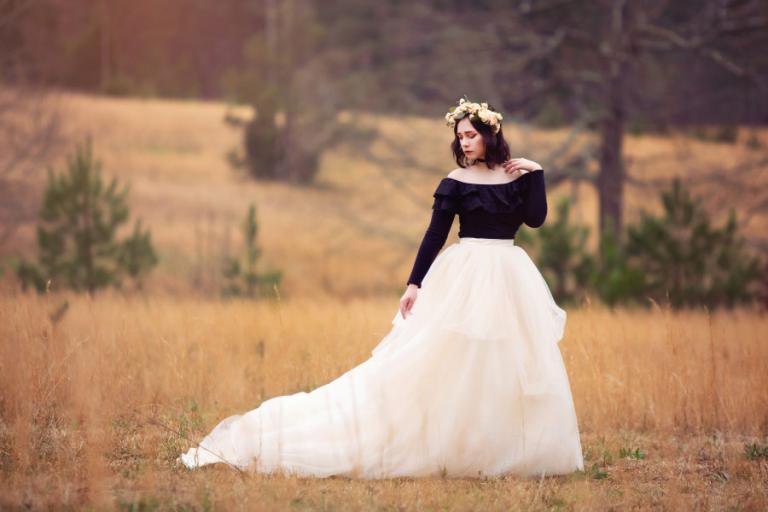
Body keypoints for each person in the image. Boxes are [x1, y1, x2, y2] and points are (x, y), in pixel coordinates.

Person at [179, 98, 584, 479]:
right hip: (466, 273)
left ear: (490, 135)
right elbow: (434, 235)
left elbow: (535, 219)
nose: (464, 141)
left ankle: (501, 445)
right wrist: (414, 284)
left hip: (509, 273)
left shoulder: (517, 176)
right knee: (448, 358)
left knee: (504, 359)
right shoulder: (456, 181)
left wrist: (536, 171)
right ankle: (449, 443)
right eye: (460, 136)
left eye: (471, 135)